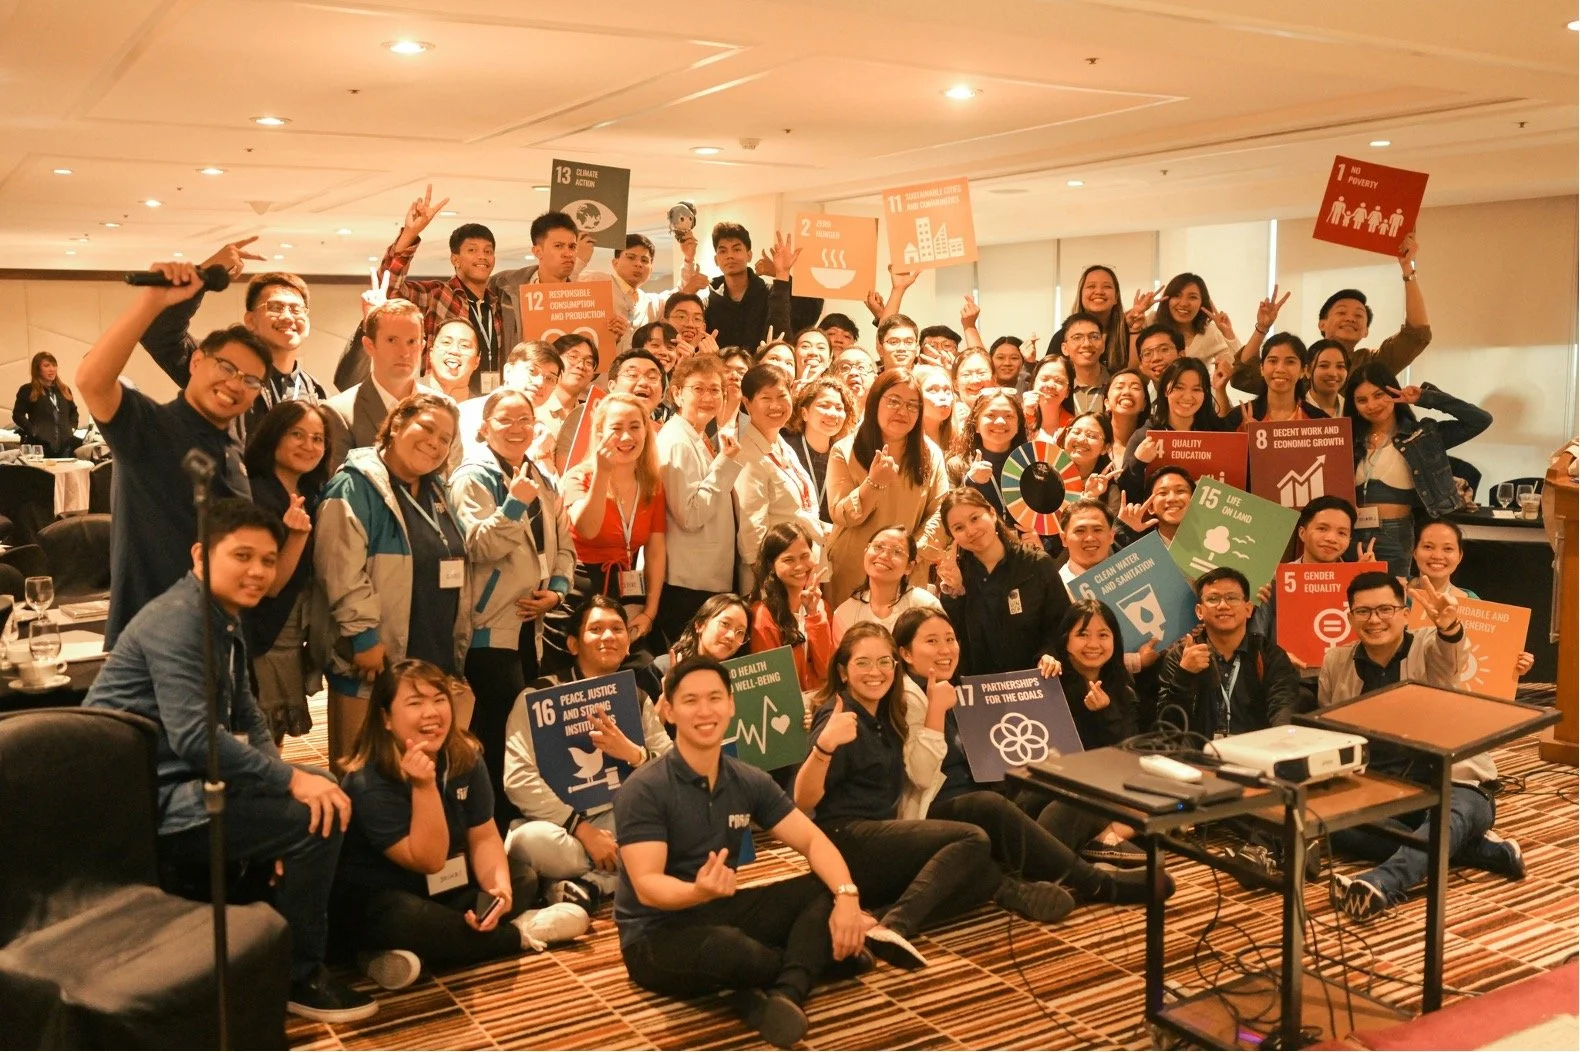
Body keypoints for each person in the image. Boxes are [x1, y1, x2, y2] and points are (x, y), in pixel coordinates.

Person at [84, 498, 375, 1022]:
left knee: (325, 788)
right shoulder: (180, 622)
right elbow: (197, 738)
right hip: (147, 801)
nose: (259, 571)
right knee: (316, 823)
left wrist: (284, 783)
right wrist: (286, 783)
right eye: (243, 555)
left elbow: (249, 714)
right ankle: (298, 975)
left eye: (268, 559)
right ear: (201, 554)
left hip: (186, 779)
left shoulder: (221, 615)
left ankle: (273, 938)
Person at [615, 654, 871, 1049]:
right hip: (654, 935)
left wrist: (848, 897)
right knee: (731, 950)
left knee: (822, 889)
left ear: (732, 706)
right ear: (668, 710)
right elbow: (647, 886)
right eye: (690, 700)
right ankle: (814, 960)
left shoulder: (746, 779)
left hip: (719, 906)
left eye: (715, 698)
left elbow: (812, 840)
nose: (705, 711)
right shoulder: (645, 789)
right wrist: (697, 892)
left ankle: (784, 994)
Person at [335, 660, 590, 990]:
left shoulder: (464, 755)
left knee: (520, 878)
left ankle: (411, 950)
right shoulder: (368, 780)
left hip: (443, 888)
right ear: (385, 718)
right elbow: (429, 860)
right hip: (385, 896)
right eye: (415, 703)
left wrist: (498, 892)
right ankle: (521, 934)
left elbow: (483, 835)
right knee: (404, 918)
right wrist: (424, 787)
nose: (432, 712)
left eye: (439, 699)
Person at [892, 609, 1151, 906]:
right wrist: (935, 711)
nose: (945, 649)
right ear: (906, 653)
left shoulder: (957, 690)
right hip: (942, 808)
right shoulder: (906, 698)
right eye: (932, 641)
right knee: (988, 804)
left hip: (993, 799)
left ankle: (1032, 882)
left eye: (950, 639)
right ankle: (1097, 883)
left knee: (1072, 794)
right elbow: (921, 777)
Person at [76, 264, 263, 646]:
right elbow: (91, 380)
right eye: (226, 367)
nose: (234, 384)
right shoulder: (151, 427)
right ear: (196, 362)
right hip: (152, 639)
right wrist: (153, 300)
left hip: (217, 636)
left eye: (250, 380)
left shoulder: (231, 447)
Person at [794, 624, 1004, 965]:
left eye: (884, 662)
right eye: (862, 663)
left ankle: (874, 916)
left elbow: (919, 775)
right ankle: (897, 924)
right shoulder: (838, 714)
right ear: (843, 672)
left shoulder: (888, 713)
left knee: (985, 876)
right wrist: (824, 746)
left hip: (881, 840)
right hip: (844, 839)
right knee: (974, 840)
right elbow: (803, 801)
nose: (875, 672)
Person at [1319, 573, 1523, 920]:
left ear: (1403, 612)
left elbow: (1451, 659)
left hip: (1452, 781)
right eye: (1363, 611)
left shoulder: (1428, 644)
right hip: (1383, 788)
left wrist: (1449, 626)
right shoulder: (1336, 660)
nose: (1375, 620)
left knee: (1447, 817)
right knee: (1330, 822)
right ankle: (1475, 850)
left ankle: (1384, 882)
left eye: (1385, 609)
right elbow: (1331, 732)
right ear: (1350, 616)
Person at [317, 392, 470, 774]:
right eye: (427, 428)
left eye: (445, 439)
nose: (435, 443)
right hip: (374, 662)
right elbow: (338, 566)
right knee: (365, 774)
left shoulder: (437, 491)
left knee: (417, 773)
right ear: (397, 424)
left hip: (429, 656)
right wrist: (364, 635)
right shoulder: (355, 485)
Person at [449, 387, 575, 826]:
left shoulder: (539, 474)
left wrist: (557, 590)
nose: (518, 428)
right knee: (494, 733)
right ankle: (492, 826)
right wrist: (513, 502)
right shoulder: (472, 475)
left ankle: (521, 822)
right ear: (484, 427)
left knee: (524, 734)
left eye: (525, 419)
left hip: (533, 622)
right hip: (489, 624)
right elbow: (476, 546)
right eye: (506, 420)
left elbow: (563, 542)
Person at [503, 596, 674, 910]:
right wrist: (582, 830)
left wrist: (634, 754)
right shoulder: (538, 696)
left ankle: (592, 884)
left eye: (617, 629)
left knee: (689, 815)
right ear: (572, 644)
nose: (608, 637)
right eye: (596, 629)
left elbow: (674, 770)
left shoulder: (636, 699)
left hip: (624, 818)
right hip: (564, 830)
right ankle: (631, 871)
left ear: (627, 642)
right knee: (525, 843)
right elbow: (518, 779)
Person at [138, 240, 327, 438]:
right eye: (276, 308)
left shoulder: (314, 391)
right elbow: (158, 334)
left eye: (296, 309)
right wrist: (205, 275)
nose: (288, 317)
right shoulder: (221, 369)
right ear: (250, 320)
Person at [548, 393, 667, 670]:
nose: (626, 436)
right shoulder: (579, 476)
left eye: (635, 427)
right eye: (616, 428)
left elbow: (656, 549)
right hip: (577, 591)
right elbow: (587, 529)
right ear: (600, 433)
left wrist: (650, 611)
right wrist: (602, 474)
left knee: (638, 674)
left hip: (625, 593)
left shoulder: (652, 484)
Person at [1230, 234, 1429, 396]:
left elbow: (1416, 335)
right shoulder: (1300, 363)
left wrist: (1407, 269)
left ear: (1366, 331)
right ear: (1322, 324)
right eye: (1341, 312)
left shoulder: (1372, 363)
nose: (1350, 318)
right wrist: (1262, 328)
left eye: (1359, 315)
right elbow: (1245, 375)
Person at [243, 400, 336, 744]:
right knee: (260, 736)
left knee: (274, 736)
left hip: (292, 628)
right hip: (262, 632)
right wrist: (296, 536)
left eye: (317, 438)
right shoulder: (256, 493)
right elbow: (268, 586)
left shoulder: (310, 493)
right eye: (297, 434)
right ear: (273, 435)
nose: (308, 445)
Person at [1347, 363, 1492, 577]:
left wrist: (1426, 397)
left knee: (1394, 600)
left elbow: (1480, 420)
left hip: (1396, 532)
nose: (1372, 405)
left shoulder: (1423, 436)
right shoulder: (1348, 439)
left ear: (1393, 391)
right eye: (1362, 400)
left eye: (1379, 395)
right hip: (1350, 534)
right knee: (1349, 602)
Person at [825, 371, 949, 604]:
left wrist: (908, 552)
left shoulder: (930, 454)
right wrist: (873, 483)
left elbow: (941, 512)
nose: (903, 411)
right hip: (852, 569)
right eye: (893, 401)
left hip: (907, 572)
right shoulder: (845, 449)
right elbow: (840, 514)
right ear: (875, 402)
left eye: (912, 405)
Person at [376, 189, 506, 391]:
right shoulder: (438, 294)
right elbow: (390, 289)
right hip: (439, 396)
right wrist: (410, 234)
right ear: (455, 259)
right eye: (472, 250)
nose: (482, 257)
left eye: (488, 251)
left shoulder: (497, 304)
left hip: (487, 400)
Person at [655, 354, 744, 644]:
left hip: (703, 577)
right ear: (677, 393)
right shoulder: (677, 440)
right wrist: (726, 463)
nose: (708, 397)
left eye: (715, 389)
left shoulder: (697, 435)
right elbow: (690, 515)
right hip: (688, 584)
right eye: (699, 389)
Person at [935, 487, 1069, 678]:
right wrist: (956, 591)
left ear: (991, 513)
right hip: (981, 690)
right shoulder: (956, 578)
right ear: (952, 536)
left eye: (975, 518)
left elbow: (1062, 624)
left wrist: (1049, 654)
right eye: (959, 528)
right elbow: (954, 642)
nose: (970, 531)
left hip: (1037, 683)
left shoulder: (1036, 564)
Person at [1157, 568, 1300, 738]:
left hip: (1255, 754)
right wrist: (1184, 676)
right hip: (1197, 756)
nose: (1223, 605)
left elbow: (1283, 708)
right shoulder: (1181, 656)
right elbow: (1167, 726)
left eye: (1232, 598)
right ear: (1199, 611)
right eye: (1213, 599)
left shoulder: (1268, 654)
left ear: (1248, 609)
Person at [736, 366, 825, 591]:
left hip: (798, 570)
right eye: (765, 398)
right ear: (747, 404)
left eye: (782, 396)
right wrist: (768, 584)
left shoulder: (781, 443)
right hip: (771, 577)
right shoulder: (746, 452)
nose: (775, 406)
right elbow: (752, 530)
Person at [489, 211, 630, 353]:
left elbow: (589, 363)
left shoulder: (585, 302)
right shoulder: (504, 285)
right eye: (558, 246)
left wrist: (612, 338)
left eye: (572, 247)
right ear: (538, 251)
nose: (568, 253)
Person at [1409, 521, 1535, 677]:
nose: (1437, 556)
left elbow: (1486, 658)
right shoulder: (1395, 595)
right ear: (1414, 552)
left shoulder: (1472, 602)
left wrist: (1514, 664)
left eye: (1448, 549)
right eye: (1428, 547)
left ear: (1460, 556)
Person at [326, 299, 425, 465]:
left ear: (422, 346)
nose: (405, 352)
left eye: (412, 341)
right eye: (392, 340)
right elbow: (338, 485)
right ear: (369, 345)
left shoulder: (444, 406)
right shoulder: (339, 412)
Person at [1119, 358, 1227, 502]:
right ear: (1165, 390)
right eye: (1178, 387)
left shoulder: (1218, 434)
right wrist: (1138, 462)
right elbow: (1126, 494)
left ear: (1205, 393)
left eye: (1196, 389)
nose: (1188, 396)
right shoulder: (1144, 436)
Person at [750, 523, 835, 693]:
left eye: (805, 556)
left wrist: (814, 615)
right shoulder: (762, 615)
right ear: (771, 566)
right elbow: (772, 683)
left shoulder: (821, 606)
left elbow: (827, 671)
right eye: (789, 560)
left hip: (821, 703)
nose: (799, 566)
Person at [1052, 599, 1139, 749]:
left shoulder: (1123, 685)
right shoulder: (1052, 686)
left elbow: (1130, 750)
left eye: (1103, 635)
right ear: (1065, 638)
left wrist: (1106, 711)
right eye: (1083, 634)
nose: (1093, 644)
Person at [704, 223, 796, 349]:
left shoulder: (770, 294)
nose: (729, 256)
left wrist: (782, 273)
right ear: (716, 259)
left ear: (749, 255)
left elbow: (808, 311)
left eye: (736, 249)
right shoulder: (710, 303)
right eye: (723, 251)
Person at [784, 376, 855, 523]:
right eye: (824, 405)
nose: (833, 413)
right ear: (804, 413)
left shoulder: (845, 456)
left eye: (839, 408)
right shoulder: (785, 448)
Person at [947, 390, 1027, 520]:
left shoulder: (1031, 464)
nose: (1000, 421)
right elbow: (949, 517)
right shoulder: (956, 466)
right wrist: (970, 482)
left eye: (1009, 416)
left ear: (1018, 425)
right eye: (991, 415)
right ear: (976, 425)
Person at [1218, 333, 1325, 425]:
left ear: (1303, 371)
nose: (1280, 369)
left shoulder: (1319, 421)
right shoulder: (1239, 418)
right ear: (1262, 368)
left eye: (1290, 362)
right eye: (1273, 361)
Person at [1150, 272, 1239, 365]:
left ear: (1202, 302)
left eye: (1192, 297)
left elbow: (1237, 366)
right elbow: (1135, 367)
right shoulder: (1152, 321)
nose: (1184, 303)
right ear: (1167, 299)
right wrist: (1135, 318)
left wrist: (1228, 332)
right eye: (1177, 295)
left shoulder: (1210, 332)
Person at [11, 351, 79, 456]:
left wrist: (72, 428)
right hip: (40, 447)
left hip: (65, 447)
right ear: (37, 369)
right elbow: (18, 415)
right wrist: (33, 431)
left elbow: (74, 412)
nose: (52, 369)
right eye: (46, 366)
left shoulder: (64, 389)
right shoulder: (28, 389)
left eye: (54, 365)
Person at [420, 318, 481, 403]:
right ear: (431, 353)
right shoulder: (405, 394)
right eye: (446, 342)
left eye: (464, 345)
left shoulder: (482, 411)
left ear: (477, 362)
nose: (454, 351)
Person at [1059, 313, 1110, 414]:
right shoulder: (1059, 388)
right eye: (1077, 337)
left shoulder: (1116, 384)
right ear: (1065, 348)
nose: (1086, 344)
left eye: (1094, 337)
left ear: (1103, 346)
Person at [1103, 368, 1150, 471]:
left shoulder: (1153, 445)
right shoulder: (1095, 442)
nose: (1126, 392)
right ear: (1106, 403)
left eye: (1135, 388)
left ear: (1144, 404)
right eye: (1119, 387)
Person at [1028, 355, 1076, 442]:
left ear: (1068, 391)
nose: (1050, 385)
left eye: (1058, 381)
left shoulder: (1074, 427)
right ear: (1033, 382)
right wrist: (1026, 415)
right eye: (1044, 379)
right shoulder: (1015, 418)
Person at [913, 363, 957, 456]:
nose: (943, 397)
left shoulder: (960, 441)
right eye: (932, 390)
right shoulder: (902, 442)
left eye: (947, 390)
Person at [1302, 339, 1351, 418]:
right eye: (1324, 366)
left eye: (1340, 366)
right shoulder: (1296, 410)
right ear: (1308, 370)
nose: (1333, 373)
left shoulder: (1354, 410)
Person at [1133, 323, 1183, 395]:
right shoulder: (1140, 400)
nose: (1156, 358)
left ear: (1181, 355)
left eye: (1164, 349)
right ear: (1141, 367)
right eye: (1147, 354)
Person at [832, 345, 879, 412]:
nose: (853, 373)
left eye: (861, 367)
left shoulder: (884, 418)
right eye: (845, 368)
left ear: (875, 380)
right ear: (833, 378)